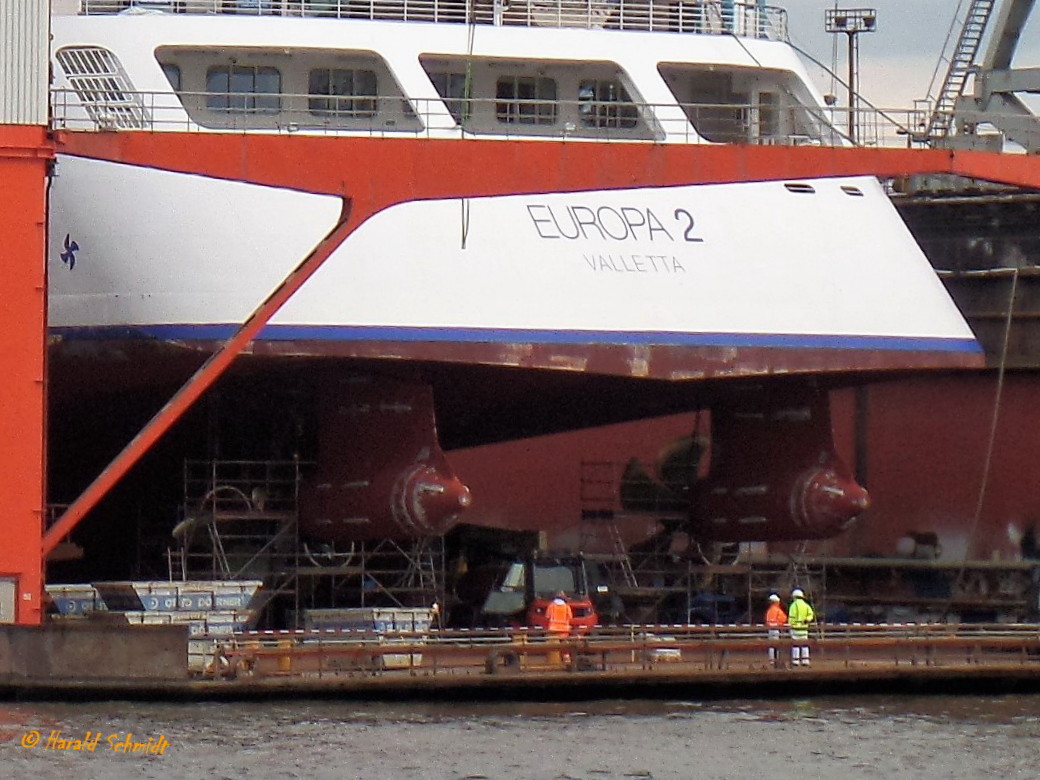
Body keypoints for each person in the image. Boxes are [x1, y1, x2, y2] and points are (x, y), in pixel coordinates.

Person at [788, 588, 815, 667]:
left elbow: (791, 617)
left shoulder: (793, 605)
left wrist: (790, 625)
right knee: (804, 645)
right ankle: (805, 660)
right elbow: (810, 615)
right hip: (804, 628)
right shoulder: (806, 605)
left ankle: (795, 661)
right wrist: (807, 620)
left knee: (795, 645)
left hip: (795, 628)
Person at [764, 593, 787, 666]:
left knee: (771, 645)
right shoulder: (777, 610)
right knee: (776, 645)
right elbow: (783, 618)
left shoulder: (769, 610)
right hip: (776, 629)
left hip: (770, 629)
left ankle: (771, 660)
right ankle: (776, 659)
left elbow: (767, 620)